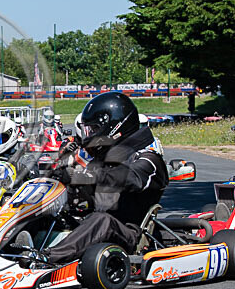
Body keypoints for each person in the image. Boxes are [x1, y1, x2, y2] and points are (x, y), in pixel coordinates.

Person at [42, 92, 169, 263]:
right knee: (51, 214)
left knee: (102, 220)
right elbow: (84, 195)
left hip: (130, 234)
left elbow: (131, 179)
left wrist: (81, 174)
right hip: (92, 224)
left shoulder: (149, 159)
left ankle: (47, 258)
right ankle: (11, 249)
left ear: (114, 128)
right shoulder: (104, 161)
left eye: (93, 130)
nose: (89, 135)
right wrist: (59, 180)